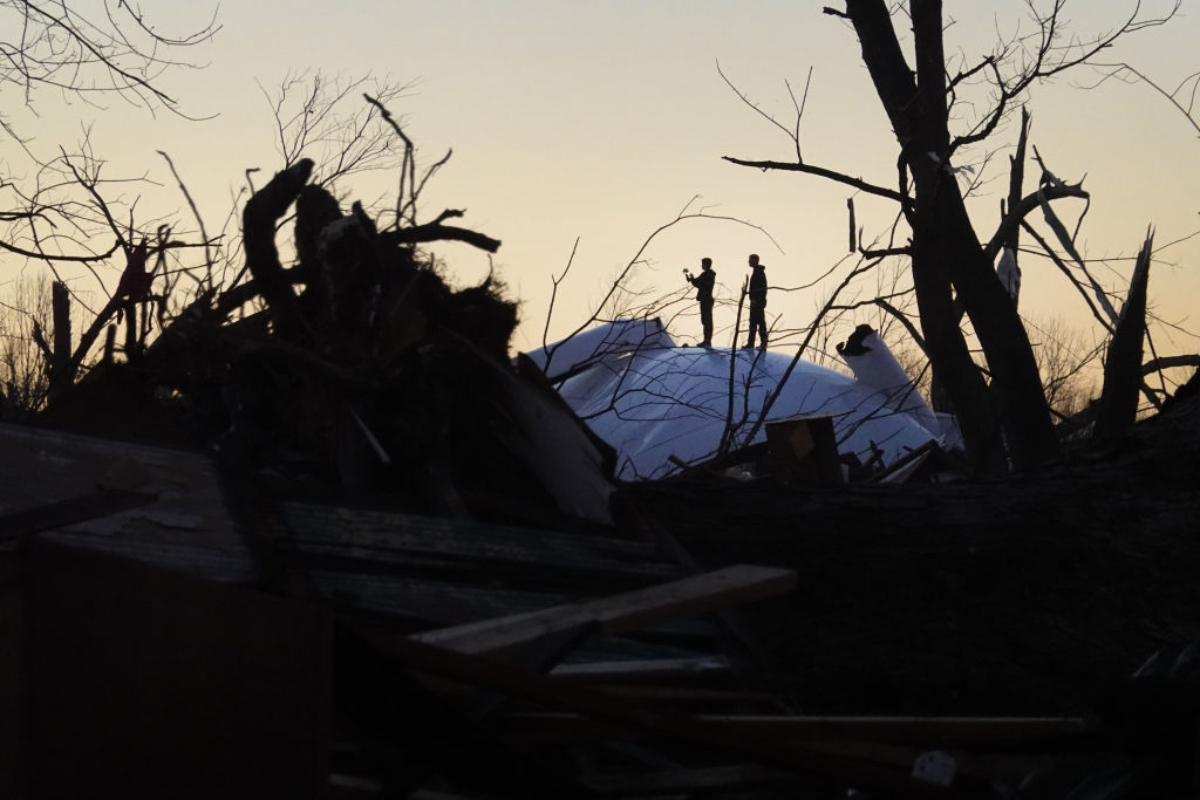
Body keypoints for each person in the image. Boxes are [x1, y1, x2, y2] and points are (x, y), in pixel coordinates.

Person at [683, 257, 716, 347]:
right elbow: (697, 283)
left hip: (707, 300)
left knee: (707, 320)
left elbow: (700, 284)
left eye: (703, 264)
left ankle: (707, 341)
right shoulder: (706, 274)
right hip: (705, 299)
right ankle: (706, 340)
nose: (701, 265)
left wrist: (693, 280)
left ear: (706, 264)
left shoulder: (709, 274)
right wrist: (691, 278)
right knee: (705, 320)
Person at [744, 254, 768, 350]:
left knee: (760, 323)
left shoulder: (759, 273)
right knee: (753, 323)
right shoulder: (757, 272)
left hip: (757, 302)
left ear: (755, 261)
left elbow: (762, 289)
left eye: (750, 260)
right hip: (755, 302)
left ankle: (762, 343)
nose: (748, 261)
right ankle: (751, 343)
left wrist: (756, 300)